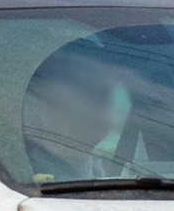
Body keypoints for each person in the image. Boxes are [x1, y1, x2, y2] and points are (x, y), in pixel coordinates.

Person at [22, 39, 121, 182]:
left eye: (106, 93)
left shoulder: (123, 179)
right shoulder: (9, 186)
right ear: (33, 104)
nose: (104, 106)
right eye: (84, 91)